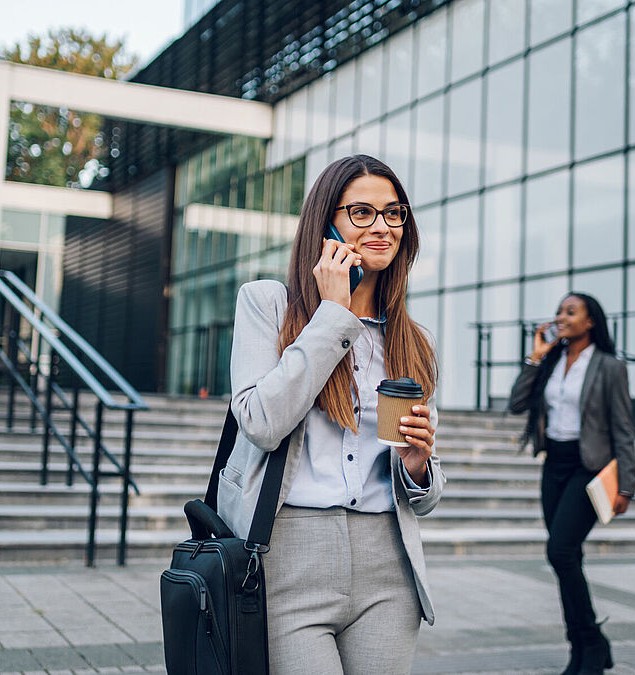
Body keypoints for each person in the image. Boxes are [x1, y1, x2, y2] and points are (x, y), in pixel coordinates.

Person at [217, 154, 444, 674]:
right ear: (326, 223)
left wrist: (416, 465)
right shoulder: (267, 304)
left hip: (387, 560)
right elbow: (259, 422)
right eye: (361, 212)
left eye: (394, 213)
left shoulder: (413, 341)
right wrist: (334, 316)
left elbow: (426, 497)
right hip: (289, 552)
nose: (383, 226)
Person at [508, 293, 635, 675]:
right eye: (559, 311)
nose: (561, 317)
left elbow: (623, 428)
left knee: (561, 552)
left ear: (590, 321)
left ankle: (591, 644)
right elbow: (517, 404)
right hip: (555, 465)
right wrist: (535, 356)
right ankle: (586, 649)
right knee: (568, 557)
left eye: (570, 312)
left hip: (589, 468)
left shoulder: (609, 367)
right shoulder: (551, 361)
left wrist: (626, 485)